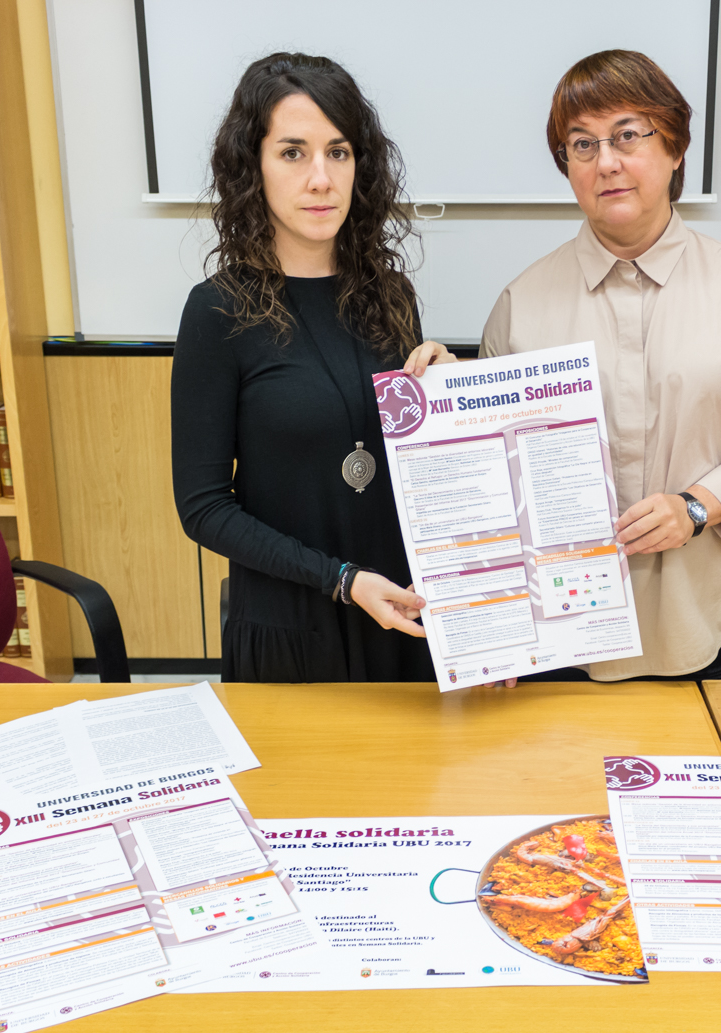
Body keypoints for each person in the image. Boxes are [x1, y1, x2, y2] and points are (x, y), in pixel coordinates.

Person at [479, 50, 721, 681]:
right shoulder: (521, 304)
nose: (606, 162)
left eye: (628, 135)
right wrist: (437, 396)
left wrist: (697, 507)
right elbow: (491, 476)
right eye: (582, 144)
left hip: (700, 620)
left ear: (675, 146)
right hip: (560, 631)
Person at [170, 53, 453, 682]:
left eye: (339, 152)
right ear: (253, 167)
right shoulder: (217, 310)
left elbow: (406, 469)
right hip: (289, 629)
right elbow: (204, 508)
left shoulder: (391, 295)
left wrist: (449, 400)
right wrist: (342, 580)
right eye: (293, 153)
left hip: (403, 615)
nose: (321, 179)